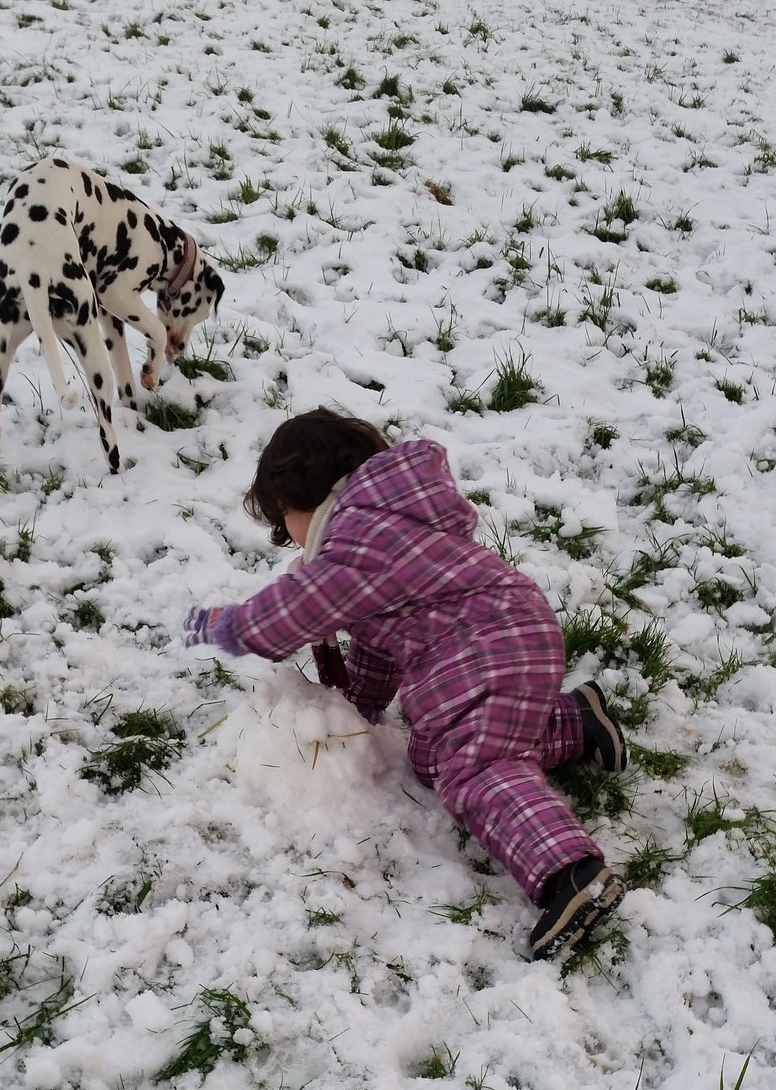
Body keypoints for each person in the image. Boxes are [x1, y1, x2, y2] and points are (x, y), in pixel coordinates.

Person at [184, 408, 628, 960]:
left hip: (481, 650)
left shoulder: (357, 540)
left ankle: (568, 871)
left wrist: (224, 625)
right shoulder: (392, 521)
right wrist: (360, 707)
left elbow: (297, 610)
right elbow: (379, 640)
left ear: (305, 494)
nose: (287, 535)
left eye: (284, 517)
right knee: (435, 759)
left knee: (476, 768)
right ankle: (576, 722)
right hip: (509, 634)